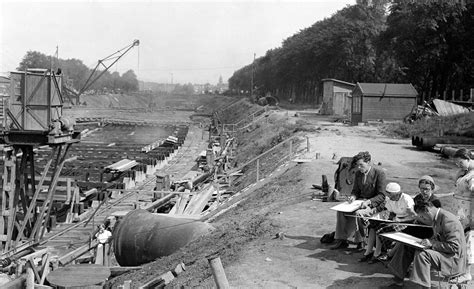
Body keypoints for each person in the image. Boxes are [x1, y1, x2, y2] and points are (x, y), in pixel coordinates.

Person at [386, 200, 466, 288]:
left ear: (427, 210)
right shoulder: (437, 216)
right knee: (407, 245)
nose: (423, 219)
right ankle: (398, 281)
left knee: (423, 254)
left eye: (422, 217)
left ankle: (424, 287)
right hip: (443, 253)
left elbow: (454, 247)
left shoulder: (448, 220)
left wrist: (432, 243)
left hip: (453, 259)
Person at [331, 151, 386, 250]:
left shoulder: (379, 173)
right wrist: (353, 197)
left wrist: (369, 202)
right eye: (357, 165)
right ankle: (342, 240)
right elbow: (355, 191)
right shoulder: (358, 174)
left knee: (358, 213)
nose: (359, 168)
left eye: (361, 165)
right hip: (360, 201)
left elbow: (382, 195)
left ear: (368, 162)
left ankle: (360, 241)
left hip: (373, 203)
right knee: (340, 211)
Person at [359, 182, 415, 264]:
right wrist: (387, 220)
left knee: (380, 229)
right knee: (373, 225)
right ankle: (368, 251)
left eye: (390, 195)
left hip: (407, 223)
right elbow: (391, 213)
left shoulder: (406, 199)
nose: (388, 196)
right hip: (396, 221)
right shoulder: (390, 200)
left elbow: (413, 216)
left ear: (396, 194)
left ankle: (377, 253)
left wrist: (401, 220)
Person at [452, 148, 474, 283]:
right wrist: (461, 171)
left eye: (460, 162)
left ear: (468, 159)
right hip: (460, 212)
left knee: (469, 240)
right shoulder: (466, 172)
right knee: (460, 240)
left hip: (468, 214)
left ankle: (467, 273)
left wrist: (473, 218)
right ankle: (460, 270)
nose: (458, 166)